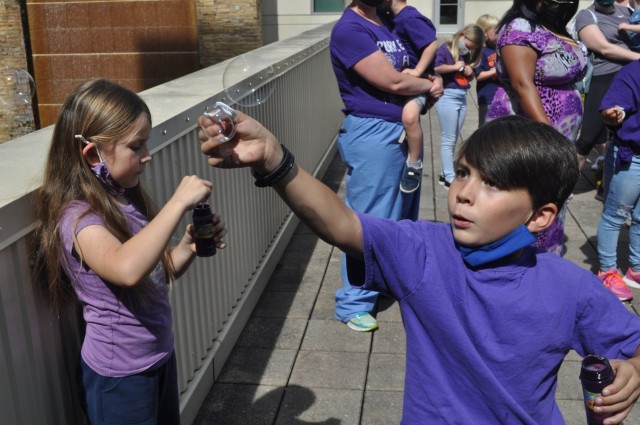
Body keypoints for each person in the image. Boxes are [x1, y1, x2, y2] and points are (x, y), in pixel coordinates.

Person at [198, 110, 640, 423]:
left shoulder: (570, 287)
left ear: (540, 216)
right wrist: (275, 160)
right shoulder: (424, 250)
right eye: (464, 172)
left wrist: (632, 372)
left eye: (493, 184)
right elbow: (341, 223)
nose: (463, 192)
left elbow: (633, 346)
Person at [30, 79, 227, 425]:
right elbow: (126, 269)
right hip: (119, 377)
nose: (147, 155)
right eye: (136, 146)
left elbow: (152, 272)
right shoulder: (78, 218)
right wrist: (178, 202)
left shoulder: (122, 201)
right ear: (92, 155)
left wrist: (187, 247)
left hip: (157, 357)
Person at [329, 0, 443, 332]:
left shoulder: (388, 20)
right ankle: (353, 303)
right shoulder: (349, 30)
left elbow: (421, 52)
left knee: (402, 215)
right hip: (372, 133)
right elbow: (392, 82)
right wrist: (429, 85)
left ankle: (388, 281)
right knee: (369, 218)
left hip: (399, 132)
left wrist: (424, 82)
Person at [486, 0, 587, 256]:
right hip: (533, 130)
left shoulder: (555, 28)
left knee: (551, 195)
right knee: (525, 195)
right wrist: (549, 136)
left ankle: (544, 261)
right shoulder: (521, 27)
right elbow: (522, 84)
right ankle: (519, 263)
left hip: (559, 130)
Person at [574, 0, 640, 197]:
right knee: (588, 138)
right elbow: (603, 48)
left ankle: (609, 185)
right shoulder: (587, 15)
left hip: (632, 79)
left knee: (624, 138)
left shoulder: (627, 12)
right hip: (605, 79)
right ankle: (562, 186)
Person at [380, 0, 438, 194]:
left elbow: (431, 44)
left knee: (410, 117)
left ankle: (414, 164)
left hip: (418, 81)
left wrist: (418, 70)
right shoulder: (391, 18)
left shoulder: (409, 17)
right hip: (405, 81)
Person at [596, 59, 640, 301]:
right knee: (616, 214)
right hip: (632, 156)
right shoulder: (634, 71)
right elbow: (609, 110)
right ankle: (607, 269)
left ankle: (636, 270)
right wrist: (614, 114)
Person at [433, 24, 484, 188]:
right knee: (448, 139)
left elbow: (466, 78)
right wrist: (454, 66)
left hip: (461, 96)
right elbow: (436, 67)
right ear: (462, 35)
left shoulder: (465, 54)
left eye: (473, 48)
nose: (469, 49)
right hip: (448, 96)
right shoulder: (446, 48)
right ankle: (449, 175)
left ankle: (444, 172)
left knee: (454, 137)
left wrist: (469, 72)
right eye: (469, 45)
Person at [474, 14, 501, 127]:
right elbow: (478, 75)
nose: (499, 32)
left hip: (502, 96)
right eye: (496, 30)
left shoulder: (499, 48)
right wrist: (496, 70)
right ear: (485, 33)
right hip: (487, 97)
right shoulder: (481, 51)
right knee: (486, 128)